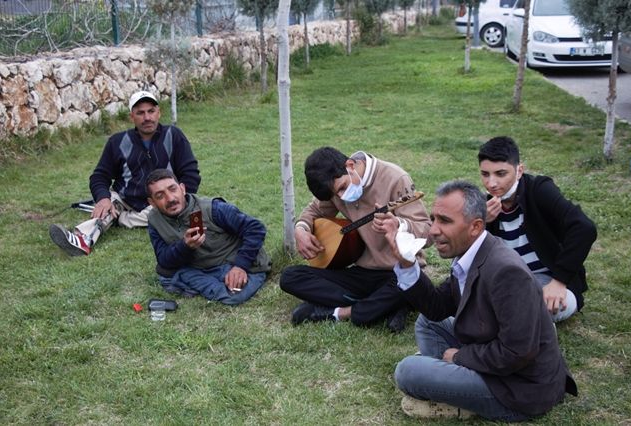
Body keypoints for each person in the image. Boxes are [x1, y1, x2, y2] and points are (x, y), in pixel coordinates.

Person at [384, 180, 577, 421]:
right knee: (428, 322)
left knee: (408, 371)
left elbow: (518, 352)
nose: (433, 230)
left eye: (444, 221)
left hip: (521, 387)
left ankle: (462, 397)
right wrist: (406, 263)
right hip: (496, 356)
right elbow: (436, 307)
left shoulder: (507, 272)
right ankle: (456, 388)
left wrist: (458, 357)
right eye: (433, 219)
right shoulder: (472, 253)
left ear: (475, 226)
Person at [279, 147, 431, 332]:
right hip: (362, 271)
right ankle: (390, 305)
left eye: (342, 188)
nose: (341, 197)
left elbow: (428, 233)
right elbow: (314, 211)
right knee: (290, 277)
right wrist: (301, 229)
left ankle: (340, 312)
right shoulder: (334, 188)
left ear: (350, 165)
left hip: (399, 270)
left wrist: (399, 224)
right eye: (336, 195)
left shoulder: (395, 178)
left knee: (407, 286)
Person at [49, 90, 201, 256]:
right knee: (106, 208)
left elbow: (191, 174)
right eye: (140, 113)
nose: (147, 118)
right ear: (132, 117)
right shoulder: (117, 142)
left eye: (151, 111)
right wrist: (103, 198)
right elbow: (100, 176)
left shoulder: (174, 136)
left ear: (159, 113)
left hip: (161, 199)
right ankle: (82, 239)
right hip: (125, 198)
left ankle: (119, 219)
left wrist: (180, 198)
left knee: (161, 213)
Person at [478, 136, 597, 322]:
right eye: (485, 174)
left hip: (548, 280)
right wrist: (480, 224)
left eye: (501, 174)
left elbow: (584, 228)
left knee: (527, 311)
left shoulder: (538, 189)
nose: (491, 183)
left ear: (519, 171)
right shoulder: (485, 205)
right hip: (507, 280)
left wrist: (559, 281)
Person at [145, 169, 271, 304]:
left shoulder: (212, 208)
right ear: (152, 202)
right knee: (165, 274)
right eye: (160, 196)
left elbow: (255, 228)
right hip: (199, 268)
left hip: (231, 263)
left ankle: (189, 282)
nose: (170, 199)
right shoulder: (154, 220)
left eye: (172, 189)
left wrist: (240, 266)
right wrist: (185, 246)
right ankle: (198, 282)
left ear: (182, 188)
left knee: (234, 295)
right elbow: (164, 260)